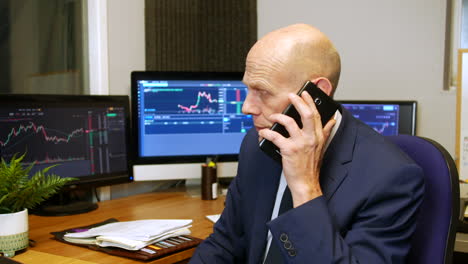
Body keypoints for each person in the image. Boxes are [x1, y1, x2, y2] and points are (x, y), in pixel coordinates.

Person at [189, 24, 424, 263]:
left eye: (263, 91)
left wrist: (304, 186)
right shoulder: (257, 143)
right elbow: (225, 243)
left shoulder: (390, 176)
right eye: (248, 88)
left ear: (316, 93)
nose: (246, 107)